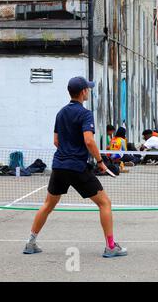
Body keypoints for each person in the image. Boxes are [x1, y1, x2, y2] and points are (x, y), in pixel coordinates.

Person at [23, 76, 127, 258]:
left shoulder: (61, 113)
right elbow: (89, 140)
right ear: (83, 92)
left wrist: (67, 150)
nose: (89, 91)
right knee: (105, 203)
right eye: (88, 88)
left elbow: (56, 141)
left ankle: (30, 243)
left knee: (48, 204)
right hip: (76, 167)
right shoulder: (85, 114)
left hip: (59, 166)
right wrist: (101, 162)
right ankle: (111, 246)